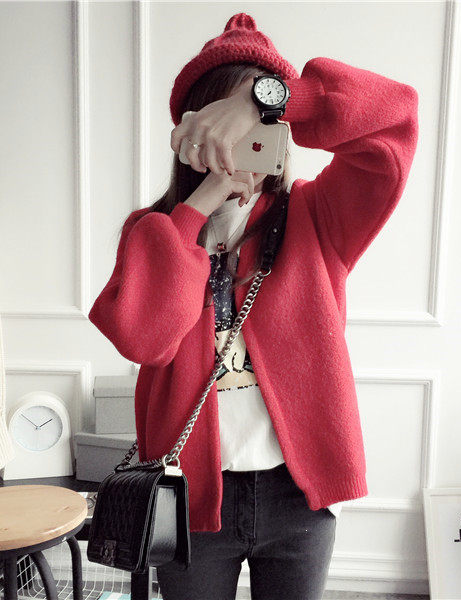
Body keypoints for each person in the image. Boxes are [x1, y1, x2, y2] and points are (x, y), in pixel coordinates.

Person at [88, 11, 419, 600]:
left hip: (297, 496)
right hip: (189, 497)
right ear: (194, 133)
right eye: (228, 126)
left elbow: (394, 120)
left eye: (261, 126)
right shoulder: (153, 231)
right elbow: (145, 339)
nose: (246, 140)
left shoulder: (318, 217)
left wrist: (270, 98)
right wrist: (201, 205)